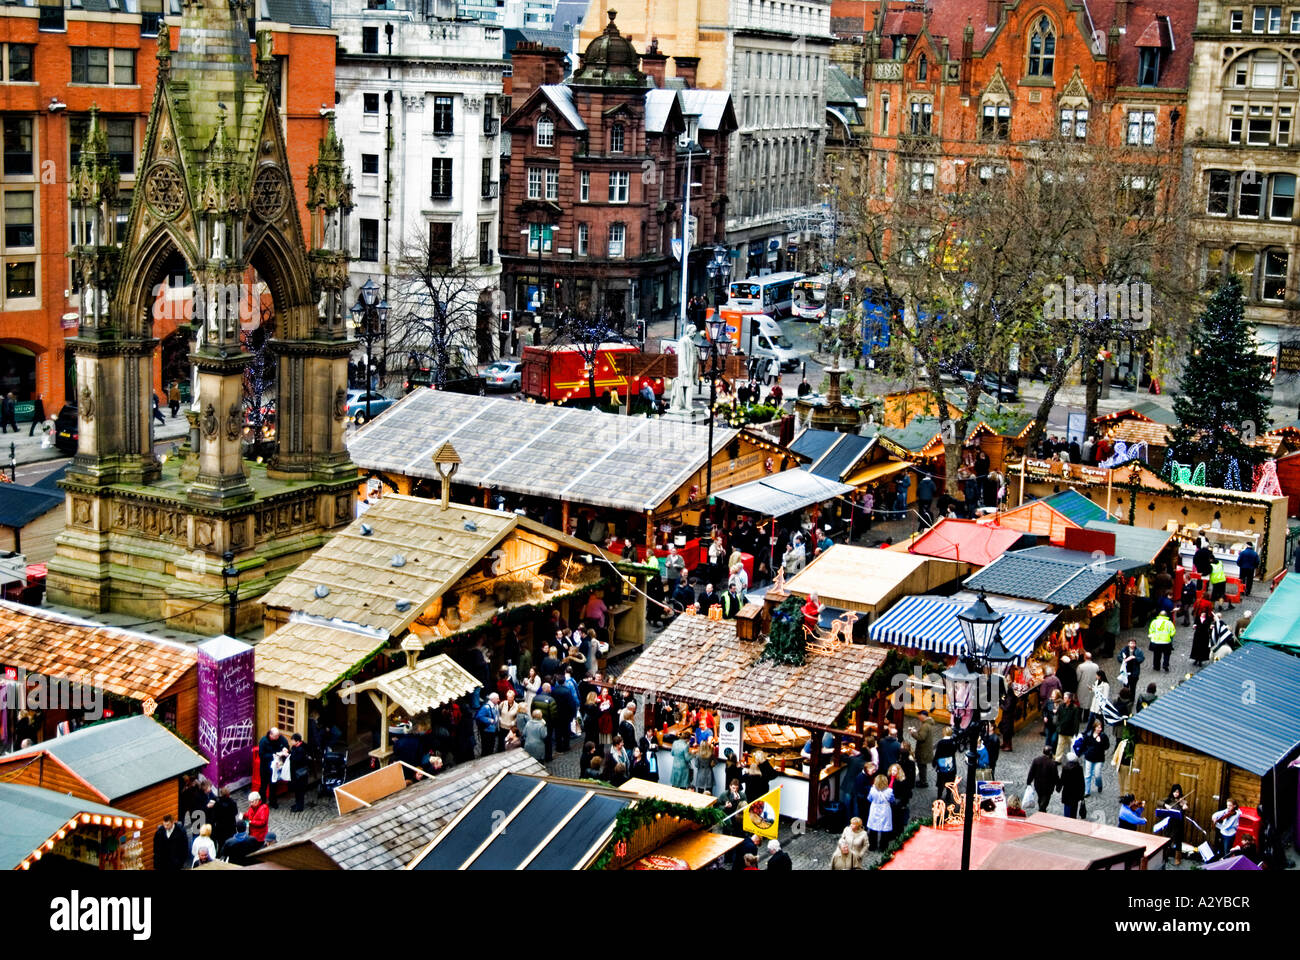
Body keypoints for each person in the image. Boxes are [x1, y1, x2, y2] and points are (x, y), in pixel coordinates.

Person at [258, 726, 290, 807]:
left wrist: (285, 748)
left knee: (273, 784)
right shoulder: (263, 741)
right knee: (263, 785)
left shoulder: (280, 738)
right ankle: (262, 801)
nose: (278, 737)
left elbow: (285, 743)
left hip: (275, 767)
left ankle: (273, 802)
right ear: (271, 735)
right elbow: (261, 755)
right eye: (276, 736)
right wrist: (274, 755)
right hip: (265, 767)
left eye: (278, 735)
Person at [1162, 784, 1190, 866]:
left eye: (1177, 792)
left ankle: (1177, 858)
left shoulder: (1182, 800)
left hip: (1179, 823)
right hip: (1170, 822)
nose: (1176, 794)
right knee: (1167, 839)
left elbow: (1186, 808)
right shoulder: (1169, 799)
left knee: (1178, 841)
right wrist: (1165, 805)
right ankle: (1165, 856)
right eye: (1174, 792)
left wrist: (1184, 806)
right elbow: (1159, 802)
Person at [1080, 718, 1109, 797]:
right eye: (1098, 727)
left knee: (1097, 774)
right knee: (1087, 775)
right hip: (1089, 757)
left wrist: (1101, 742)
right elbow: (1084, 745)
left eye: (1100, 727)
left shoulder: (1103, 736)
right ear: (1094, 727)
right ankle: (1087, 791)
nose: (1100, 729)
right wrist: (1084, 752)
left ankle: (1099, 785)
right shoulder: (1089, 735)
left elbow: (1107, 746)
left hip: (1099, 759)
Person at [866, 774, 894, 851]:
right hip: (885, 809)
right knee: (885, 829)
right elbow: (892, 800)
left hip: (874, 808)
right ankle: (883, 847)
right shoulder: (889, 791)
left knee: (873, 827)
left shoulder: (872, 790)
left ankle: (872, 846)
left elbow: (869, 798)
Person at [1027, 746, 1059, 813]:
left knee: (1040, 797)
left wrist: (1029, 782)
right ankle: (1042, 810)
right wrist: (1058, 786)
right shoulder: (1052, 763)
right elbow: (1055, 776)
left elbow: (1031, 772)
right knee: (1046, 799)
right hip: (1048, 787)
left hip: (1038, 785)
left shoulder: (1036, 760)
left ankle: (1041, 808)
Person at [911, 710, 938, 787]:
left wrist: (913, 733)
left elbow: (921, 737)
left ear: (923, 715)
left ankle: (923, 782)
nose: (918, 717)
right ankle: (923, 780)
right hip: (926, 750)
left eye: (919, 716)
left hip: (923, 751)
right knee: (923, 766)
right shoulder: (928, 724)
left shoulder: (925, 726)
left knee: (921, 766)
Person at [1055, 691, 1081, 763]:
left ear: (1069, 699)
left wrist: (1075, 732)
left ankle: (1073, 758)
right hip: (1062, 730)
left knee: (1072, 746)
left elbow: (1076, 721)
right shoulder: (1061, 706)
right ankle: (1058, 759)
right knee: (1060, 745)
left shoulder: (1075, 708)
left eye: (1065, 697)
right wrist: (1058, 726)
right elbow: (1058, 717)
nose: (1064, 698)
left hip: (1070, 731)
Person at [288, 732, 312, 812]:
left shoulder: (302, 749)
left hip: (300, 773)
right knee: (297, 790)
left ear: (297, 741)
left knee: (300, 790)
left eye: (292, 741)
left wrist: (289, 756)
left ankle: (299, 807)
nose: (291, 742)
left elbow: (296, 760)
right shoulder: (297, 747)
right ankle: (297, 804)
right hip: (297, 773)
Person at [1058, 752, 1085, 819]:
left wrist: (1058, 788)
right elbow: (1082, 782)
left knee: (1067, 809)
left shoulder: (1065, 768)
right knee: (1074, 809)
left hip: (1067, 792)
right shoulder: (1079, 768)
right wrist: (1082, 795)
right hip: (1075, 793)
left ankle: (1067, 821)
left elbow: (1062, 780)